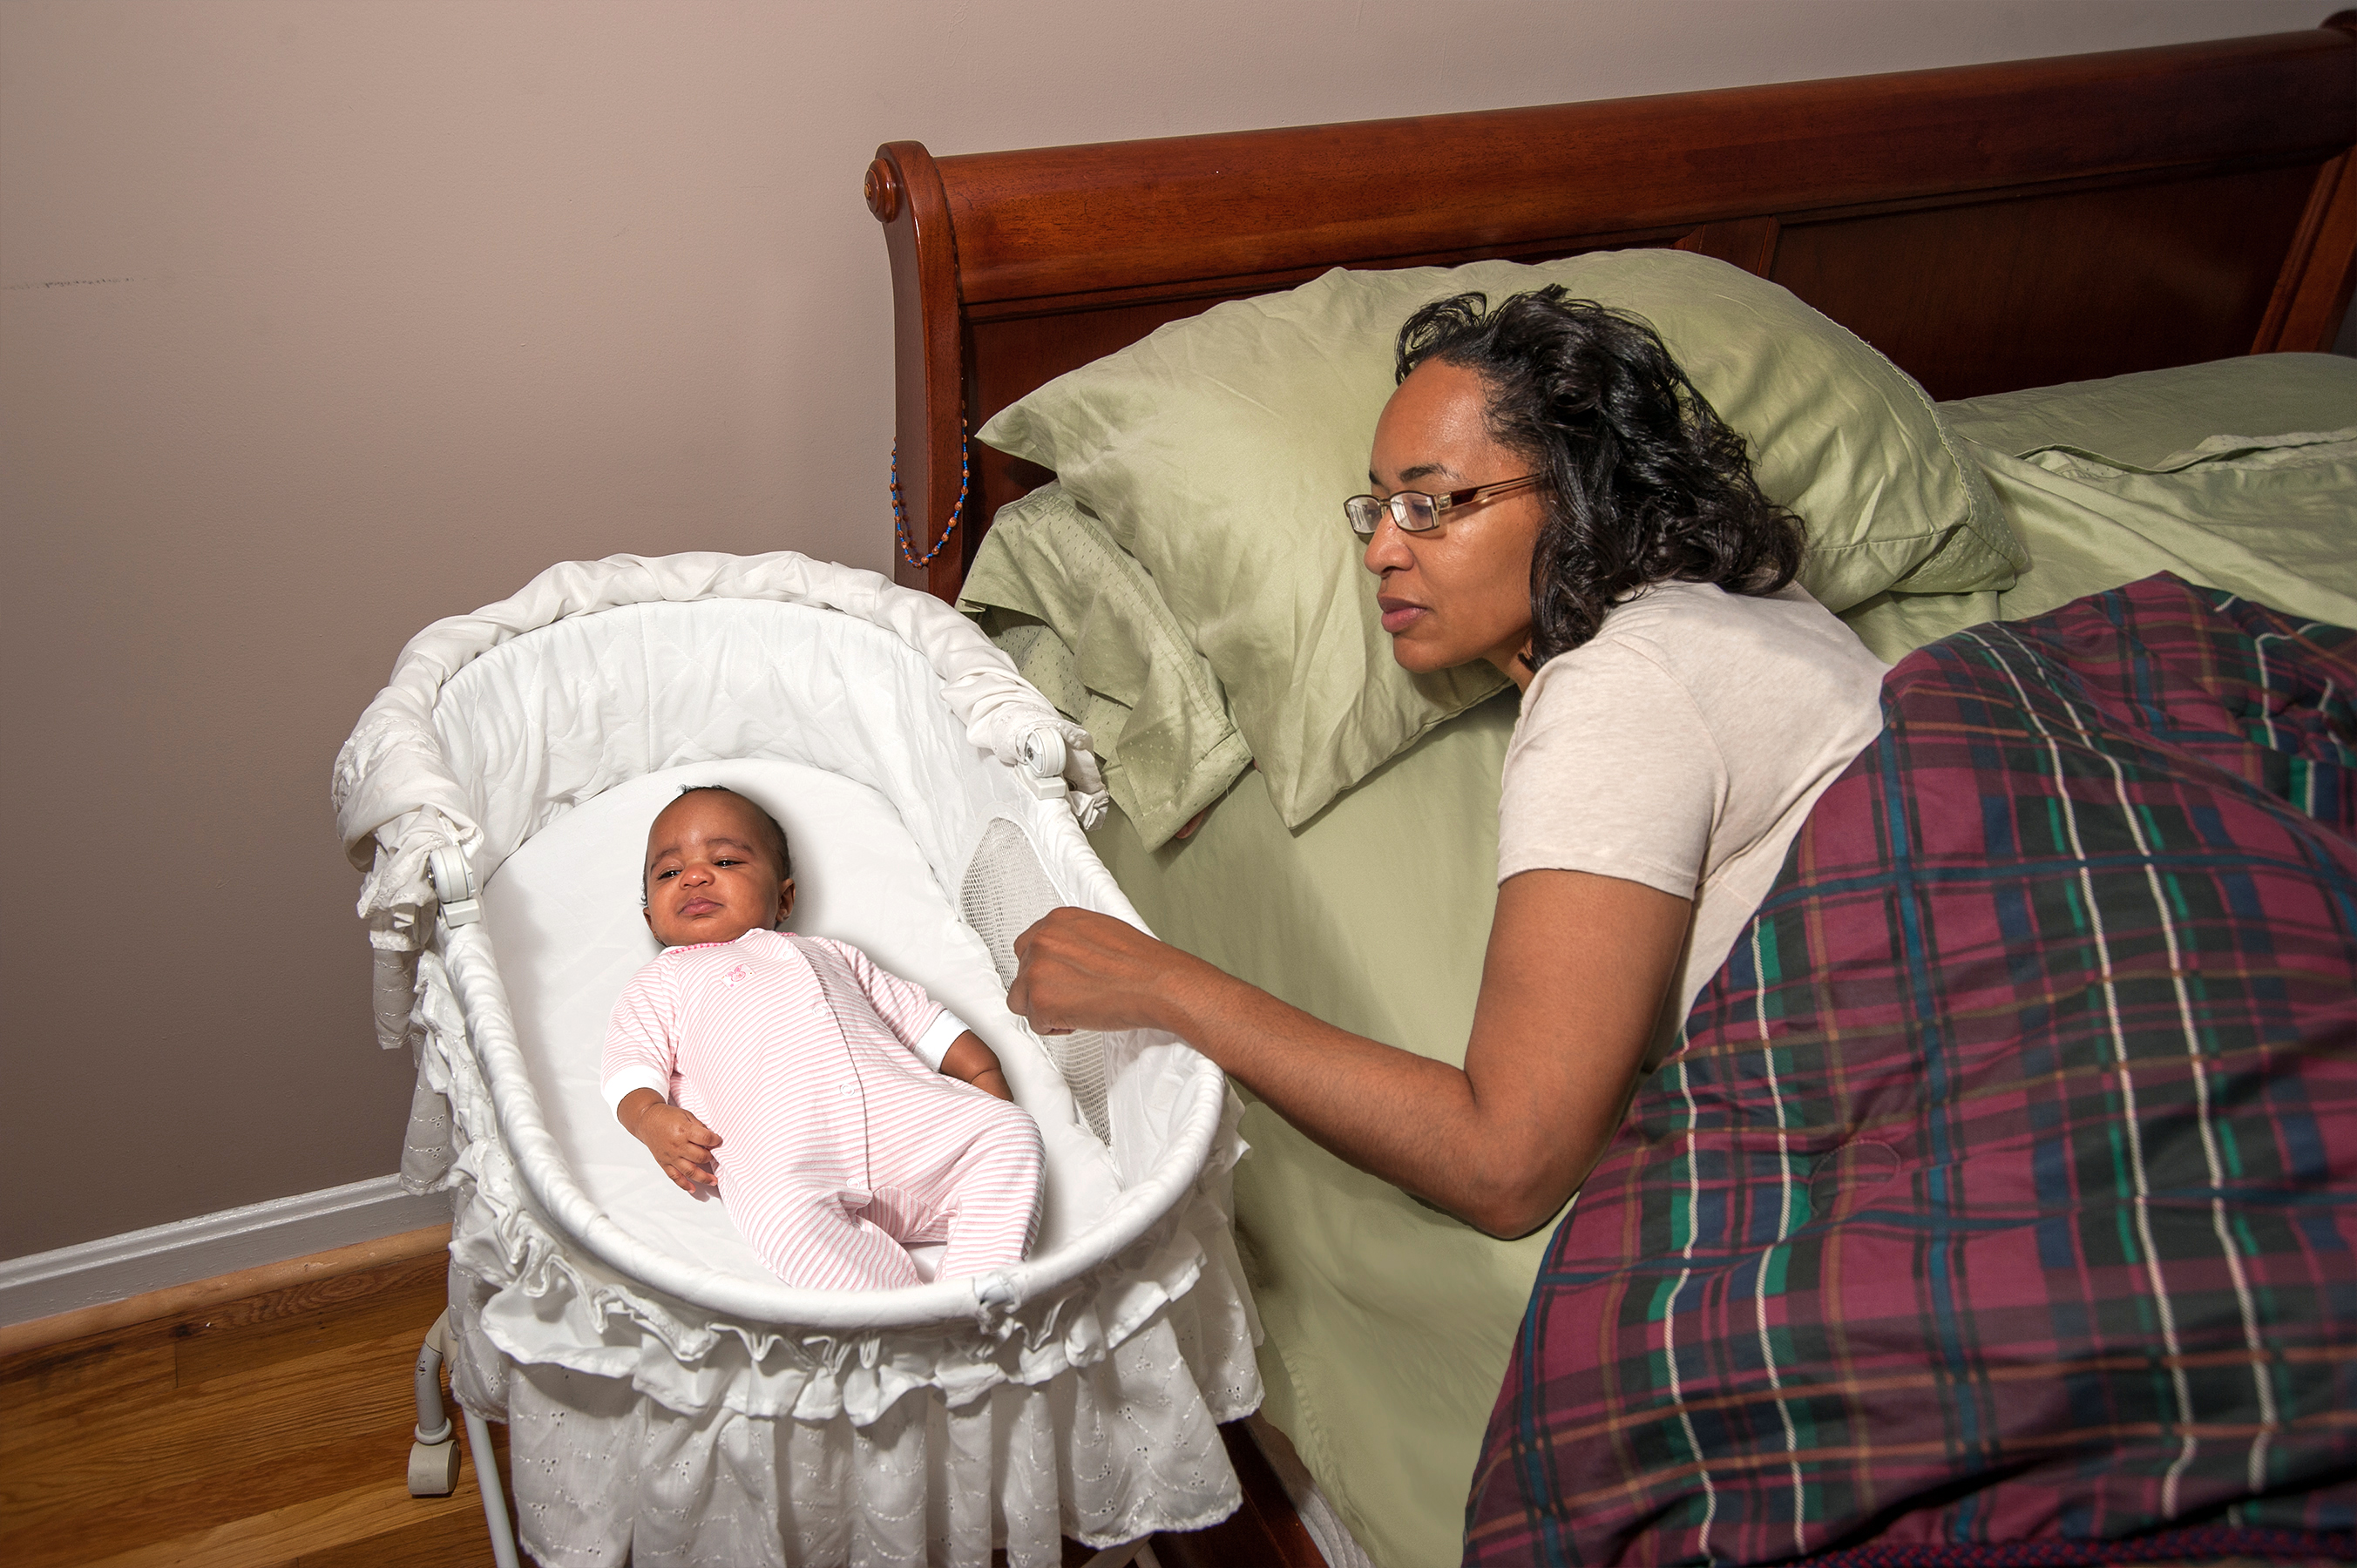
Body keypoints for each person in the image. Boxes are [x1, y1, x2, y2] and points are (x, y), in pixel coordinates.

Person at [1006, 287, 1885, 1239]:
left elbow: (1505, 1167)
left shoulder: (1621, 685)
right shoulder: (1750, 605)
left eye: (1428, 505)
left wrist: (1161, 984)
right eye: (1377, 509)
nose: (1381, 549)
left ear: (1582, 486)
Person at [602, 784, 1043, 1290]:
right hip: (787, 1156)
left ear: (784, 897)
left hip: (902, 1122)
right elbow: (629, 1068)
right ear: (650, 919)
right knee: (779, 1219)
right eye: (670, 872)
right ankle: (906, 1321)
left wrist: (984, 1081)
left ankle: (978, 1294)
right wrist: (650, 1120)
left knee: (1013, 1135)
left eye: (725, 862)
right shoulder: (663, 980)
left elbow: (923, 1022)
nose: (696, 876)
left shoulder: (832, 954)